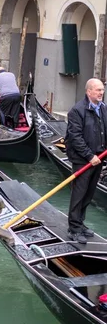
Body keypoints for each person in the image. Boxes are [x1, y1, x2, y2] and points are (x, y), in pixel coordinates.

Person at [65, 78, 107, 244]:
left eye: (102, 90)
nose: (101, 93)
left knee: (89, 193)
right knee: (79, 193)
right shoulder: (77, 111)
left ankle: (80, 223)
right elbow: (75, 137)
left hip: (99, 158)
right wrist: (90, 156)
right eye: (98, 90)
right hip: (83, 160)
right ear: (88, 91)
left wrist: (100, 155)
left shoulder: (103, 108)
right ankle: (73, 228)